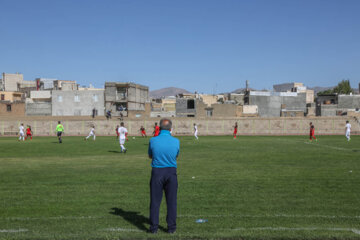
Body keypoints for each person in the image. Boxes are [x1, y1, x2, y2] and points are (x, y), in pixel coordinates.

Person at [148, 118, 180, 234]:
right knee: (171, 201)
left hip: (157, 172)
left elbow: (150, 156)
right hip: (171, 172)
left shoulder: (153, 140)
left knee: (155, 202)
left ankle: (154, 228)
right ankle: (171, 228)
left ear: (159, 128)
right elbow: (176, 155)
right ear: (171, 129)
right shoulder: (176, 141)